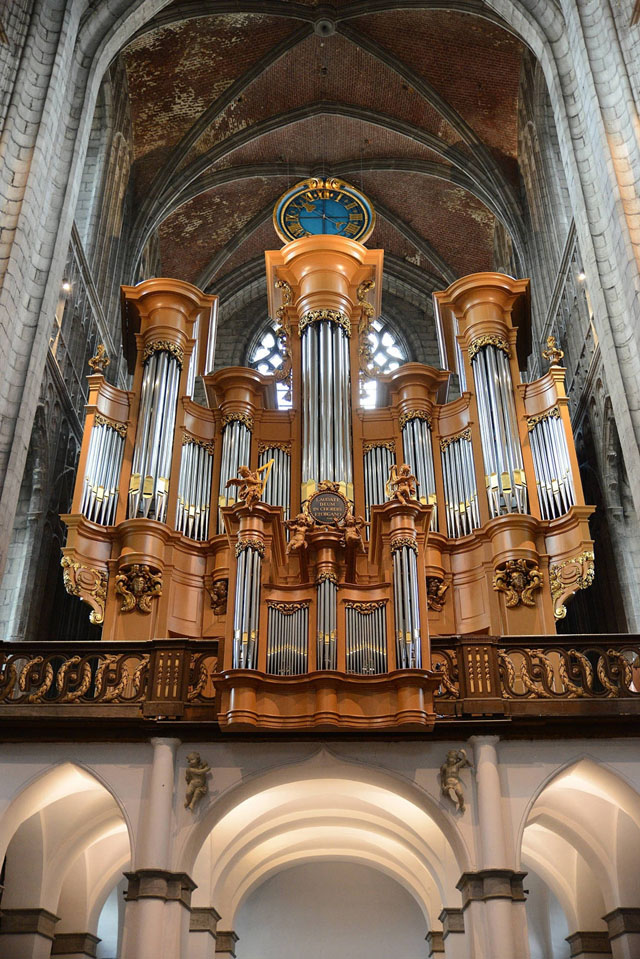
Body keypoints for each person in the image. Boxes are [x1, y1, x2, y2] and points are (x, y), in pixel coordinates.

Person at [440, 748, 472, 813]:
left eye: (454, 758)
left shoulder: (456, 766)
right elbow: (442, 777)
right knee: (449, 788)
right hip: (449, 782)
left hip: (456, 782)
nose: (452, 760)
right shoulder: (445, 767)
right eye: (451, 758)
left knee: (460, 794)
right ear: (448, 758)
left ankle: (461, 805)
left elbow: (463, 761)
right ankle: (448, 790)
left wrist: (464, 753)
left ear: (456, 760)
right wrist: (443, 786)